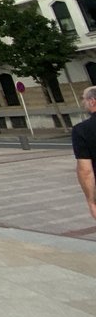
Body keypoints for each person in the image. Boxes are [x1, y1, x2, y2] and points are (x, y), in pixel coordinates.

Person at [72, 86, 96, 220]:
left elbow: (86, 171)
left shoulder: (82, 130)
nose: (83, 103)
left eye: (84, 99)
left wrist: (91, 201)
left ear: (92, 101)